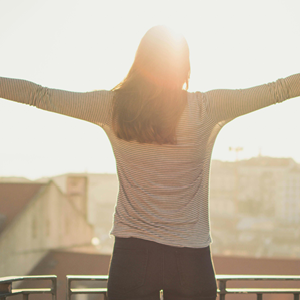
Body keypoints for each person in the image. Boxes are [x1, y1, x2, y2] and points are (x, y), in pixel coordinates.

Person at [0, 25, 299, 300]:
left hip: (133, 255)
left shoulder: (112, 107)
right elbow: (279, 90)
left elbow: (39, 96)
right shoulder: (206, 107)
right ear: (184, 65)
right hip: (191, 261)